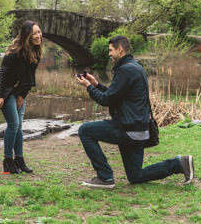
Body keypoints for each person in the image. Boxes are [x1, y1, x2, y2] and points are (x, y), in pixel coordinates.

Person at [76, 35, 194, 188]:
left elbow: (106, 100)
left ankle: (105, 177)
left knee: (85, 130)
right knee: (135, 176)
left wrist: (88, 87)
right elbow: (114, 95)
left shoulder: (126, 70)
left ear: (120, 49)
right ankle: (179, 163)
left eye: (110, 50)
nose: (109, 54)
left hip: (129, 130)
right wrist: (96, 84)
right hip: (138, 129)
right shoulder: (134, 67)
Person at [0, 20, 43, 174]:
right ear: (26, 35)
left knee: (19, 127)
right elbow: (1, 74)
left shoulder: (35, 51)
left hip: (19, 92)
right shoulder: (14, 52)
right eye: (34, 33)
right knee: (14, 124)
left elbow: (29, 78)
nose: (38, 35)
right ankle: (7, 160)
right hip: (6, 92)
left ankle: (19, 159)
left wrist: (22, 95)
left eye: (39, 32)